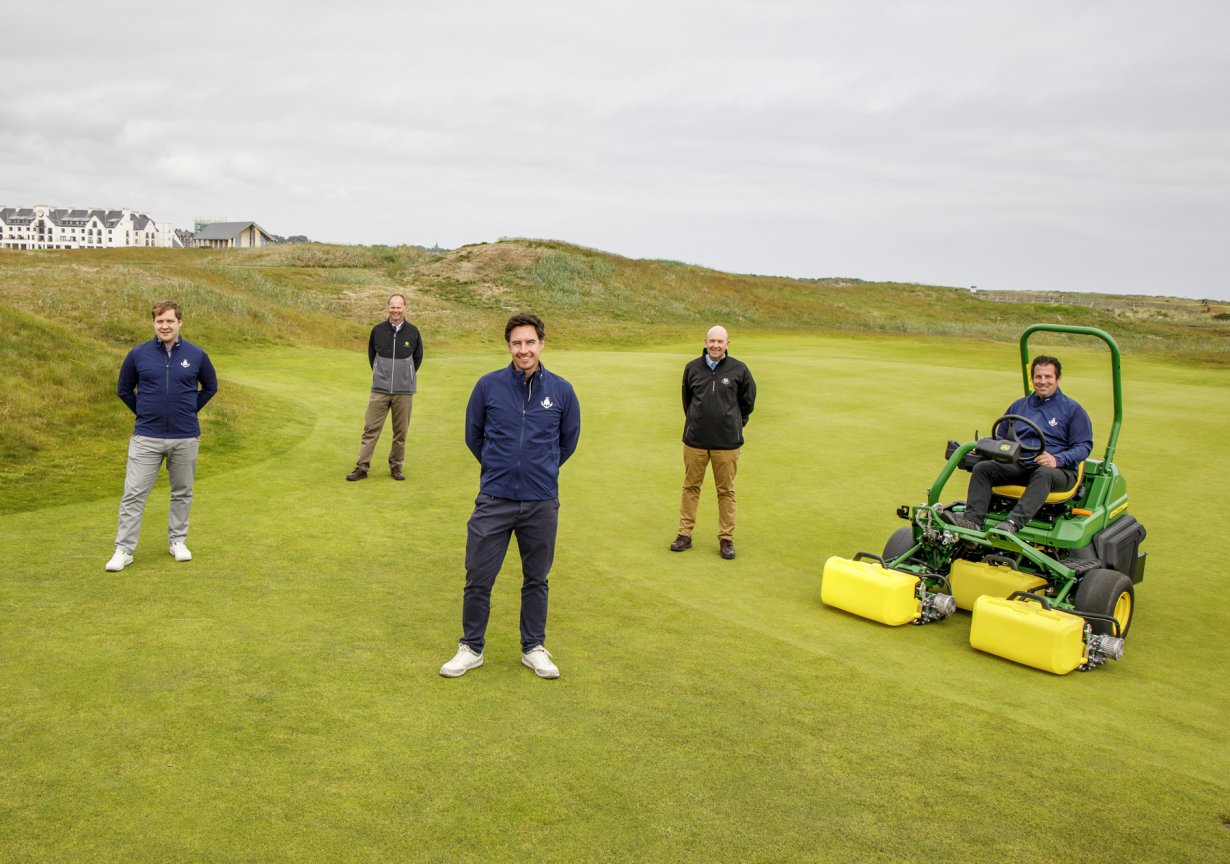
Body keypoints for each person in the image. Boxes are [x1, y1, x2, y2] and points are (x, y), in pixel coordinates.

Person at [440, 313, 581, 680]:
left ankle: (533, 647)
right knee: (478, 576)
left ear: (541, 344)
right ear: (509, 346)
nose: (523, 350)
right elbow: (475, 437)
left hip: (540, 501)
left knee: (537, 578)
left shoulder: (561, 391)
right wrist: (498, 467)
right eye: (517, 343)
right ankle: (471, 647)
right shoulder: (488, 387)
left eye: (530, 342)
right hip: (495, 498)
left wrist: (541, 469)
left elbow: (568, 442)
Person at [104, 300, 218, 571]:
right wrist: (145, 413)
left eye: (170, 321)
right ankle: (124, 549)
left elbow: (210, 387)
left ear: (180, 322)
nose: (164, 326)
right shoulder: (138, 354)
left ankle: (177, 541)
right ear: (153, 323)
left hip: (185, 436)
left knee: (182, 492)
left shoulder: (196, 354)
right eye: (159, 321)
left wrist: (188, 411)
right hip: (147, 436)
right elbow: (124, 390)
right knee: (133, 493)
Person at [953, 355, 1093, 534]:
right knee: (983, 468)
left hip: (1058, 471)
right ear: (1032, 378)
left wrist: (1057, 460)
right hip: (1021, 465)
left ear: (1058, 378)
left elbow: (1084, 446)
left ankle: (1012, 523)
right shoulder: (1019, 406)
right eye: (1038, 377)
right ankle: (973, 522)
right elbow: (1002, 436)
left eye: (1048, 377)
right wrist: (983, 446)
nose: (1043, 381)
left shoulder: (1072, 410)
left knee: (1044, 473)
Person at [670, 324, 757, 560]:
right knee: (690, 487)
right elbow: (688, 402)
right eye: (712, 341)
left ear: (727, 344)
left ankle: (726, 539)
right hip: (695, 441)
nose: (716, 345)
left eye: (720, 341)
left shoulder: (739, 370)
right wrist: (697, 422)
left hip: (726, 444)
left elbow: (747, 403)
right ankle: (684, 534)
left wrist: (735, 424)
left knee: (726, 490)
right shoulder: (692, 368)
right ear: (706, 342)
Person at [346, 293, 424, 481]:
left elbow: (417, 358)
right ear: (387, 308)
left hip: (403, 392)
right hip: (379, 389)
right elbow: (372, 356)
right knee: (370, 429)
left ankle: (396, 466)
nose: (395, 310)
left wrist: (404, 375)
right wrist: (382, 373)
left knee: (400, 432)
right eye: (392, 306)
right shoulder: (378, 330)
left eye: (399, 307)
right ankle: (362, 467)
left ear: (405, 308)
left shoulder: (413, 331)